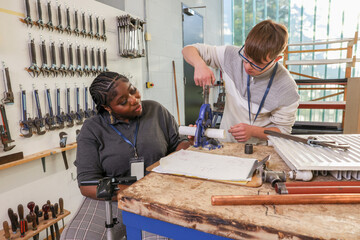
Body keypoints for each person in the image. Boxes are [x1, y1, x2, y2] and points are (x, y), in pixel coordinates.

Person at [61, 72, 190, 240]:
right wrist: (135, 193)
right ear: (107, 108)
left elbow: (179, 143)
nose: (134, 99)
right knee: (74, 237)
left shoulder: (155, 110)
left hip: (158, 195)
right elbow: (87, 184)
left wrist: (187, 147)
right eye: (123, 102)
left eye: (133, 90)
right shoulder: (93, 128)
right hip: (113, 197)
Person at [182, 19, 300, 145]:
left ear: (276, 59)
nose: (248, 67)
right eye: (246, 57)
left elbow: (283, 132)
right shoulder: (231, 55)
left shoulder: (287, 89)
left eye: (258, 64)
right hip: (225, 144)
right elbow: (188, 49)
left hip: (259, 151)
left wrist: (254, 131)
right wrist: (199, 64)